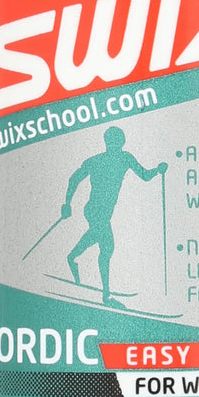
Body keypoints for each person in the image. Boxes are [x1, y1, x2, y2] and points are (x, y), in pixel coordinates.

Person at [61, 126, 167, 308]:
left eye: (116, 141)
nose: (115, 144)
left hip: (100, 211)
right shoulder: (104, 160)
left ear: (121, 142)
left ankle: (73, 257)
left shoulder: (122, 158)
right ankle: (106, 295)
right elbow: (74, 179)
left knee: (100, 241)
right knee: (107, 246)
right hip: (95, 210)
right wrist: (66, 204)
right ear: (109, 142)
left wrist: (158, 170)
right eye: (113, 141)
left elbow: (144, 175)